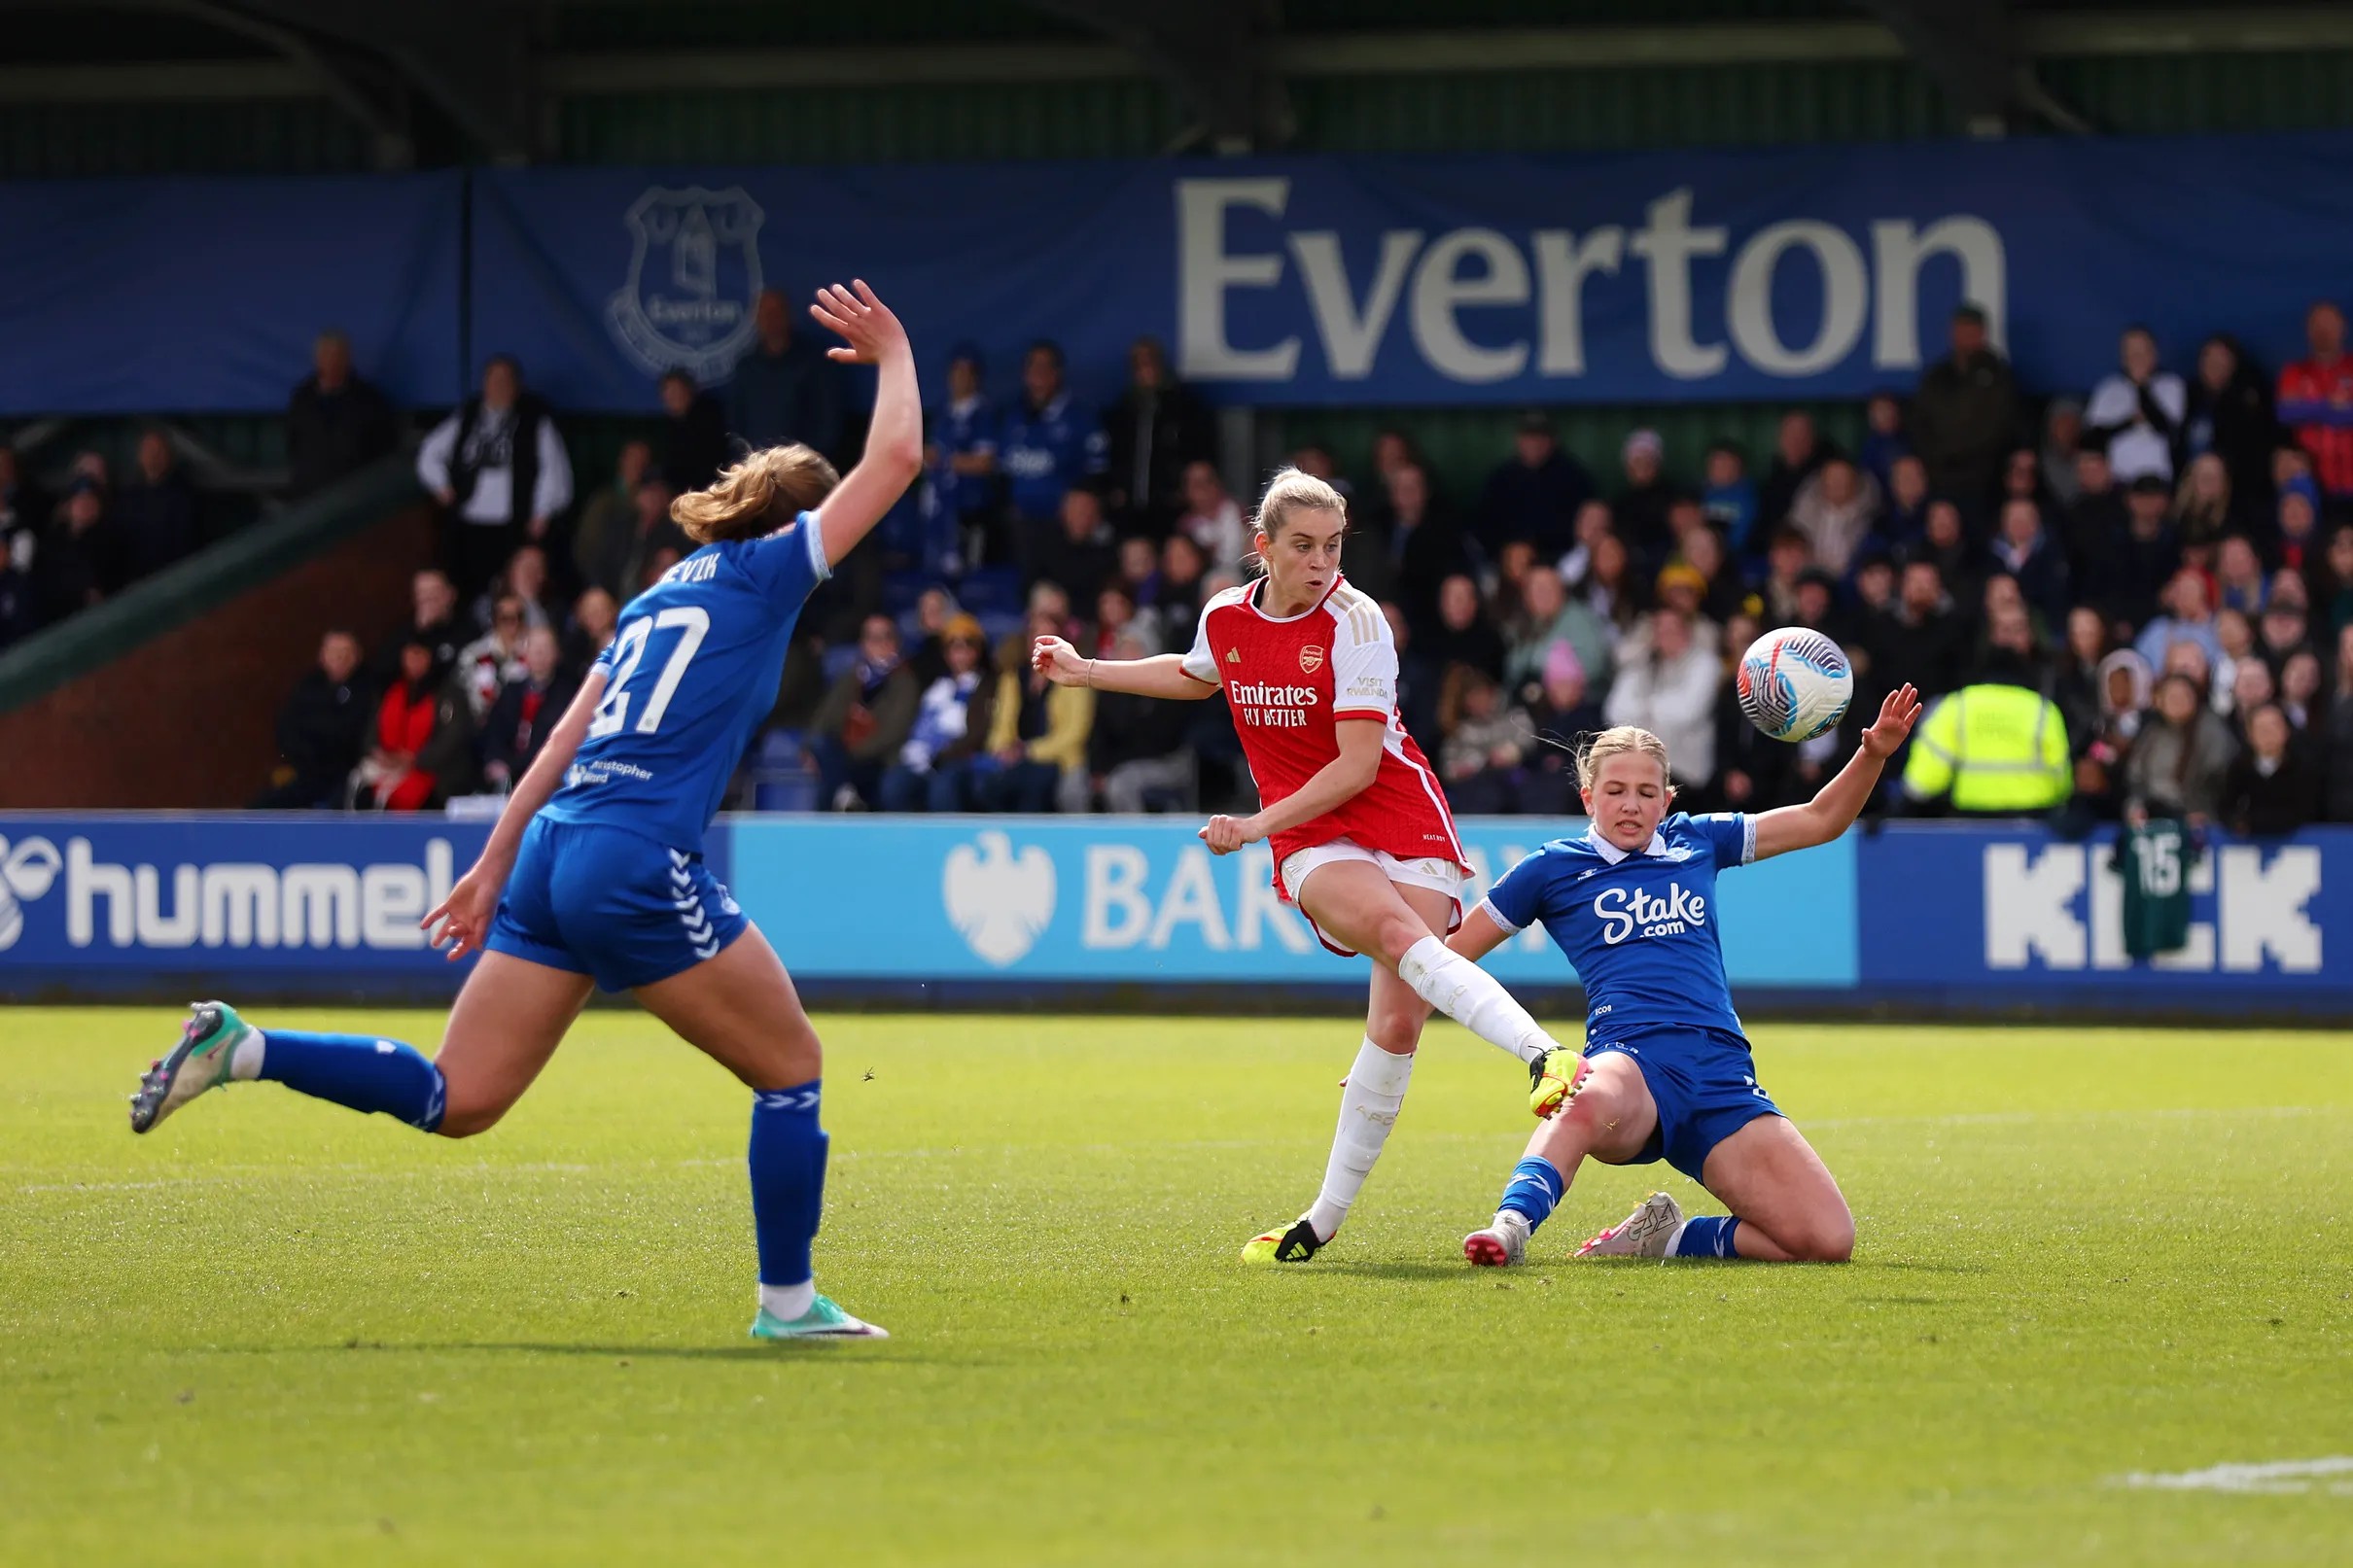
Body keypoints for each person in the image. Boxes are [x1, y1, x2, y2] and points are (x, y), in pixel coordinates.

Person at [129, 279, 922, 1343]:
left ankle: (247, 1047)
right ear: (797, 524)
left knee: (459, 1097)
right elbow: (898, 460)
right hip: (631, 855)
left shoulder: (656, 596)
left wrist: (493, 862)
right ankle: (788, 1306)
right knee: (792, 1068)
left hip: (553, 849)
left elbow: (561, 736)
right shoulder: (770, 573)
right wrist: (897, 353)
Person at [1030, 468, 1590, 1265]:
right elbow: (1198, 672)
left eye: (1332, 545)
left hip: (1395, 808)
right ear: (1262, 547)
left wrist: (1254, 822)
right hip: (1311, 829)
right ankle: (1543, 1053)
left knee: (1397, 1022)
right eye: (1302, 546)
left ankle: (1318, 1221)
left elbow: (1360, 766)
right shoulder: (1226, 613)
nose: (1322, 562)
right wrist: (1088, 670)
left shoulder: (1358, 624)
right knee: (1397, 934)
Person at [1454, 690, 1923, 1267]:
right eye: (1615, 791)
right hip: (1631, 1064)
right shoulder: (1552, 868)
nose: (1631, 805)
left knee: (1826, 1240)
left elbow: (1821, 820)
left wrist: (1872, 754)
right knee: (1580, 1095)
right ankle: (1511, 1227)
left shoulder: (1698, 839)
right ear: (1587, 798)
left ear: (1667, 798)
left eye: (1647, 792)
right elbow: (1446, 961)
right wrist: (1384, 1049)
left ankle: (1666, 1237)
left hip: (1721, 1074)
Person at [417, 355, 574, 601]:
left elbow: (554, 471)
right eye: (493, 380)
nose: (499, 387)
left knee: (510, 593)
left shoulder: (535, 422)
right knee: (466, 590)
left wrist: (542, 512)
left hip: (513, 526)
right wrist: (441, 486)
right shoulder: (467, 417)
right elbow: (430, 452)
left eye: (505, 381)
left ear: (517, 386)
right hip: (469, 524)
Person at [1000, 340, 1106, 573]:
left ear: (1057, 373)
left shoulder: (1080, 417)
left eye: (1044, 367)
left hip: (1063, 528)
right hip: (1021, 525)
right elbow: (1003, 468)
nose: (1038, 374)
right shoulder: (1014, 417)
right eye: (1032, 367)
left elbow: (1096, 474)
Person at [1900, 673, 2072, 816]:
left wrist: (1903, 806)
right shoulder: (2043, 709)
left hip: (1971, 820)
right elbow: (2062, 778)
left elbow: (1923, 782)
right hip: (2034, 820)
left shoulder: (1957, 705)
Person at [879, 613, 998, 812]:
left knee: (942, 789)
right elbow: (920, 725)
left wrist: (943, 755)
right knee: (894, 785)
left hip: (960, 758)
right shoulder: (938, 686)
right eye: (953, 647)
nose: (960, 654)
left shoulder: (988, 685)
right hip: (924, 759)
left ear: (978, 650)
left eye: (967, 646)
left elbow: (980, 731)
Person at [982, 608, 1095, 813]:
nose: (1039, 644)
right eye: (1035, 635)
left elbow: (1074, 734)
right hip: (1018, 758)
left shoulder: (1076, 679)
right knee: (986, 785)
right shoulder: (1012, 678)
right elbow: (1001, 725)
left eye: (1047, 639)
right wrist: (1001, 749)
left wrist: (1029, 751)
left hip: (1058, 759)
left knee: (1033, 787)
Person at [1911, 302, 2018, 512]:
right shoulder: (1937, 376)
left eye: (1971, 329)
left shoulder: (1998, 375)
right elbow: (1919, 421)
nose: (1965, 335)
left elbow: (2000, 424)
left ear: (1982, 333)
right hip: (1939, 478)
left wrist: (1962, 453)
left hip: (1984, 480)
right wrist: (1935, 459)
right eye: (1960, 329)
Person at [1601, 607, 1720, 794]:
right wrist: (1656, 710)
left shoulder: (1705, 663)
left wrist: (1646, 708)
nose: (1666, 636)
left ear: (1686, 631)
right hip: (1638, 768)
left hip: (1685, 773)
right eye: (1660, 630)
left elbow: (1687, 713)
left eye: (1672, 629)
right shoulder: (1642, 663)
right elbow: (1615, 712)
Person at [807, 614, 919, 811]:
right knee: (821, 745)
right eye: (872, 638)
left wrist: (852, 754)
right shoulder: (852, 677)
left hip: (880, 761)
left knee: (833, 775)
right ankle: (841, 801)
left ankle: (841, 799)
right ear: (862, 643)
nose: (879, 644)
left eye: (885, 637)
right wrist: (807, 749)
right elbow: (825, 717)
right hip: (845, 757)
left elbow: (894, 731)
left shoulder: (905, 681)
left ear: (896, 642)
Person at [253, 629, 373, 809]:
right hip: (309, 771)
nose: (339, 658)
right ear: (322, 656)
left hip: (349, 773)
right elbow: (287, 729)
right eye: (333, 652)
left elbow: (355, 734)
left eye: (345, 653)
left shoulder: (367, 690)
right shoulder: (308, 687)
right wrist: (304, 755)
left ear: (357, 657)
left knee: (338, 807)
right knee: (263, 806)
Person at [1103, 334, 1213, 529]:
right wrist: (1115, 487)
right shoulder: (1121, 411)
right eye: (1139, 362)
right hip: (1128, 507)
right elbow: (1112, 455)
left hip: (1172, 507)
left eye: (1150, 360)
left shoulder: (1184, 407)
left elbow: (1201, 453)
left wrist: (1182, 491)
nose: (1146, 368)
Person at [725, 287, 845, 458]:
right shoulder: (746, 367)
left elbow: (828, 424)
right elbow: (736, 426)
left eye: (775, 312)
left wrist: (808, 465)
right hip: (756, 469)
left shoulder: (815, 363)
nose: (769, 319)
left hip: (801, 469)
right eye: (763, 313)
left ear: (788, 316)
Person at [285, 329, 398, 500]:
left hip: (354, 498)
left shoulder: (369, 400)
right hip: (309, 497)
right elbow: (293, 443)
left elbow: (384, 449)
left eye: (338, 356)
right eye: (327, 356)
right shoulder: (302, 398)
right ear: (318, 360)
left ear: (348, 359)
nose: (333, 362)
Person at [2184, 334, 2279, 528]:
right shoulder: (2190, 397)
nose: (2214, 365)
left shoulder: (2247, 404)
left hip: (2236, 497)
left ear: (2233, 364)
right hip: (2190, 494)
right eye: (2209, 359)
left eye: (2222, 360)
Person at [2125, 672, 2238, 829]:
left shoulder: (2212, 731)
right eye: (2171, 696)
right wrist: (2136, 807)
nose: (2177, 702)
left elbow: (2218, 779)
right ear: (2159, 701)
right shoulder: (2152, 733)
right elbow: (2135, 778)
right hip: (2154, 814)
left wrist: (2201, 810)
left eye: (2184, 696)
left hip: (2196, 817)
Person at [924, 343, 1001, 569]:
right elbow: (927, 455)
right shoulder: (942, 412)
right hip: (937, 504)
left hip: (969, 508)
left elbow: (984, 463)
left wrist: (945, 460)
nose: (961, 377)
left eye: (968, 371)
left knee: (966, 570)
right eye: (957, 371)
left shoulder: (984, 414)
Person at [1477, 411, 1592, 561]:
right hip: (1510, 563)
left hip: (1562, 560)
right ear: (1518, 440)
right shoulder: (1501, 478)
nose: (1534, 443)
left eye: (1540, 437)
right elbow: (1484, 527)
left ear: (1553, 440)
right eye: (1529, 437)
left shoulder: (1573, 477)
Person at [478, 626, 579, 793]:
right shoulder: (511, 690)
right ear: (525, 652)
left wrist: (510, 766)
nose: (539, 653)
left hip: (546, 776)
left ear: (556, 653)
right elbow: (495, 730)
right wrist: (495, 759)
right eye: (534, 647)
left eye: (546, 648)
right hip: (506, 775)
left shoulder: (568, 694)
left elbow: (551, 741)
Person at [2084, 326, 2186, 485]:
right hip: (2117, 479)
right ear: (2123, 357)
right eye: (2131, 352)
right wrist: (2130, 422)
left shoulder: (2171, 385)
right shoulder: (2109, 388)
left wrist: (2141, 386)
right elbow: (2094, 437)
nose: (2137, 358)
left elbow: (2168, 430)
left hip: (2158, 480)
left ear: (2154, 354)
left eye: (2143, 352)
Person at [354, 635, 445, 812]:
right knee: (357, 790)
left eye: (420, 655)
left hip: (427, 770)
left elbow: (449, 740)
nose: (414, 661)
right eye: (410, 655)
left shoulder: (445, 695)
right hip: (386, 765)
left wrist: (415, 760)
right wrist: (378, 753)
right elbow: (372, 731)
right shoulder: (389, 691)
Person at [2276, 300, 2353, 508]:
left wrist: (2311, 410)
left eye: (2330, 324)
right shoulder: (2295, 372)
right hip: (2312, 487)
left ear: (2343, 328)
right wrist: (2329, 407)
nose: (2324, 331)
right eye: (2317, 325)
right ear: (2308, 331)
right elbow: (2286, 413)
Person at [112, 429, 200, 584]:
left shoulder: (183, 497)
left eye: (158, 451)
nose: (153, 456)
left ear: (168, 456)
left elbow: (186, 546)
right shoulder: (128, 498)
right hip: (131, 585)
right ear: (139, 456)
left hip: (171, 582)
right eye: (148, 450)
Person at [572, 440, 654, 599]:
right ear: (622, 461)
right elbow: (586, 548)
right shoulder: (604, 501)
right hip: (607, 589)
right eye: (633, 459)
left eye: (643, 461)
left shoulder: (656, 502)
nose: (638, 465)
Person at [1785, 456, 1880, 577]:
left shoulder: (1869, 517)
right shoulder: (1805, 511)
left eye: (1842, 478)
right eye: (1832, 477)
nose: (1837, 483)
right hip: (1806, 580)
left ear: (1854, 482)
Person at [657, 368, 731, 497]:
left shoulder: (708, 419)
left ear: (689, 391)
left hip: (708, 493)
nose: (673, 396)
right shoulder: (668, 426)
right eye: (668, 391)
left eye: (677, 390)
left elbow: (710, 465)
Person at [1174, 459, 1248, 571]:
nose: (1204, 489)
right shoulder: (1184, 527)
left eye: (1208, 481)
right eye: (1197, 484)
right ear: (1186, 492)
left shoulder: (1238, 512)